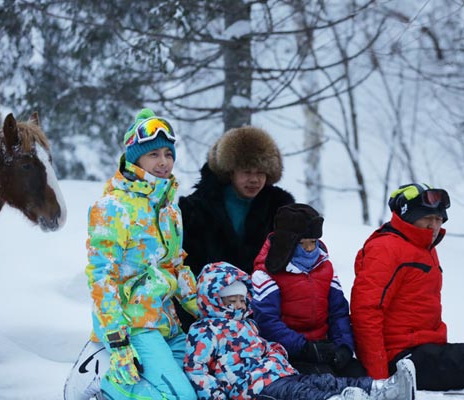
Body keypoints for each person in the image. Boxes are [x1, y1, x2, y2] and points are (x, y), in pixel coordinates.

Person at [63, 109, 199, 400]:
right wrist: (118, 342)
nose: (163, 162)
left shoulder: (170, 209)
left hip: (167, 322)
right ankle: (107, 387)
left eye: (168, 153)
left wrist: (205, 310)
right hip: (133, 325)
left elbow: (176, 265)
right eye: (153, 155)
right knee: (181, 398)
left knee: (201, 385)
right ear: (135, 158)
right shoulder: (113, 207)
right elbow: (102, 279)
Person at [350, 183, 464, 391]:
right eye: (427, 217)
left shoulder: (422, 246)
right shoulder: (386, 248)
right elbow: (365, 313)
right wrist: (380, 381)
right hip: (402, 362)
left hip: (426, 350)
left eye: (438, 219)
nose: (434, 226)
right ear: (408, 216)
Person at [183, 261, 416, 400]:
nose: (239, 306)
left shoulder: (248, 324)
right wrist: (218, 396)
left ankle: (383, 389)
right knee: (302, 392)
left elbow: (265, 346)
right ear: (212, 301)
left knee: (324, 380)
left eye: (242, 300)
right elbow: (196, 369)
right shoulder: (205, 331)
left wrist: (276, 353)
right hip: (252, 388)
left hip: (278, 373)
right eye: (230, 301)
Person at [175, 125, 294, 332]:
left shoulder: (282, 210)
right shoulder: (195, 209)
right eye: (247, 172)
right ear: (230, 172)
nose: (254, 179)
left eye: (261, 172)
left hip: (265, 312)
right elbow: (185, 270)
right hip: (208, 314)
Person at [251, 203, 366, 377]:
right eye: (302, 244)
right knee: (323, 379)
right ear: (287, 242)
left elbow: (338, 312)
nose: (310, 249)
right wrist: (304, 347)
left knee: (357, 372)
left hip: (324, 345)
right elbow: (267, 322)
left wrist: (343, 346)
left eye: (313, 242)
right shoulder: (266, 273)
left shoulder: (324, 266)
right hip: (287, 352)